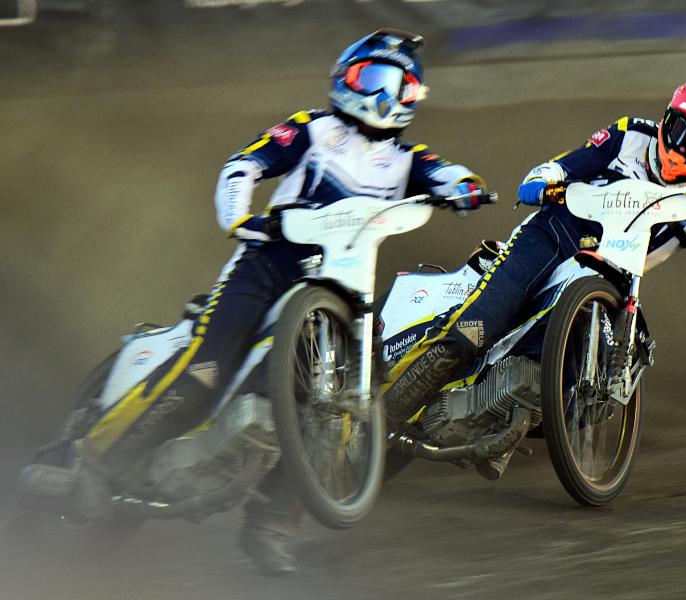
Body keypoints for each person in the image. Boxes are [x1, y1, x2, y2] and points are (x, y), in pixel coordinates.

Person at [20, 29, 485, 576]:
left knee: (334, 412)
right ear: (345, 79)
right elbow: (243, 165)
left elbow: (450, 174)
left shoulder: (408, 158)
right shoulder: (312, 128)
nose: (385, 96)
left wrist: (467, 187)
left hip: (345, 289)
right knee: (206, 370)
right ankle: (98, 464)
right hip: (265, 266)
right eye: (373, 78)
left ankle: (272, 524)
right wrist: (239, 218)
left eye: (401, 87)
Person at [381, 75, 686, 478]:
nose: (682, 146)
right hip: (551, 238)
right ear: (666, 117)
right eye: (679, 129)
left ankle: (504, 419)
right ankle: (381, 411)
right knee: (475, 329)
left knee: (584, 382)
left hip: (611, 283)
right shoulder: (630, 135)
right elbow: (568, 163)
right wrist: (542, 179)